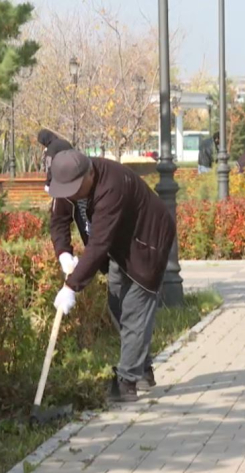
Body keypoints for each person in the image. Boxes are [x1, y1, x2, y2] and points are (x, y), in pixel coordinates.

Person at [49, 150, 176, 402]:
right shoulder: (66, 184)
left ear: (90, 174)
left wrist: (72, 286)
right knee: (116, 303)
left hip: (147, 241)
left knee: (134, 309)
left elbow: (99, 243)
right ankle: (142, 368)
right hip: (120, 245)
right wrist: (63, 252)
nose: (71, 195)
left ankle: (126, 381)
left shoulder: (112, 185)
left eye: (75, 188)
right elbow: (58, 221)